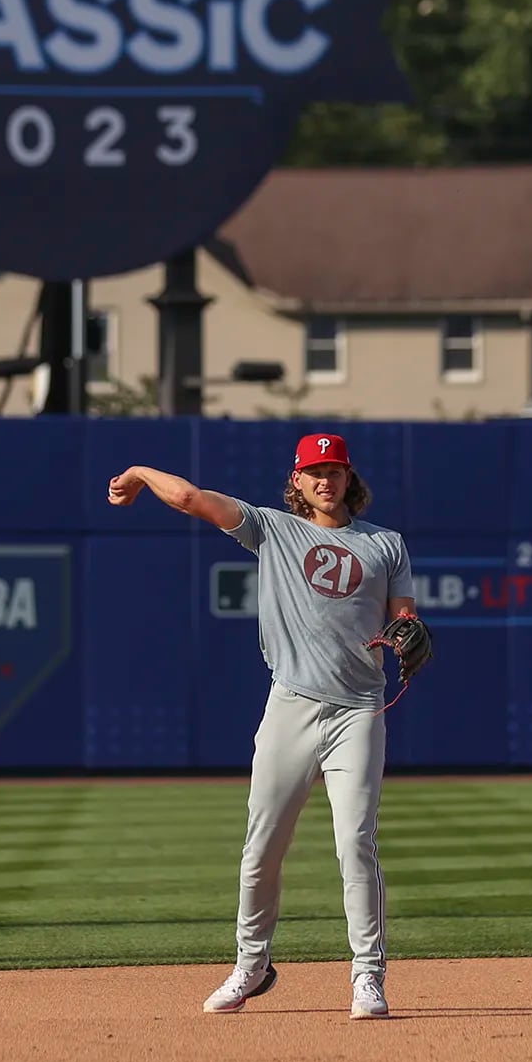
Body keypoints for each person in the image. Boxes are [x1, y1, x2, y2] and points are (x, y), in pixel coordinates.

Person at [108, 432, 428, 1020]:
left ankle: (367, 976)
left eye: (335, 470)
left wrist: (410, 627)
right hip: (292, 705)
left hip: (360, 711)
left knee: (355, 842)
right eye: (315, 472)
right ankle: (251, 966)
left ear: (349, 477)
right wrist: (137, 469)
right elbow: (188, 498)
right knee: (262, 848)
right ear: (298, 481)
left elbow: (401, 616)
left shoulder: (386, 543)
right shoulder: (271, 528)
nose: (325, 480)